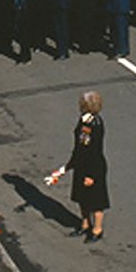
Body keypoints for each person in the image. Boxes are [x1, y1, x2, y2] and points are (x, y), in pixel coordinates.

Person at [47, 90, 109, 241]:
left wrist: (91, 175)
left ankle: (97, 229)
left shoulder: (96, 124)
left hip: (93, 167)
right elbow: (79, 145)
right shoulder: (83, 120)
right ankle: (85, 224)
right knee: (82, 198)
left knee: (95, 201)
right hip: (81, 163)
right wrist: (67, 167)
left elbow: (95, 151)